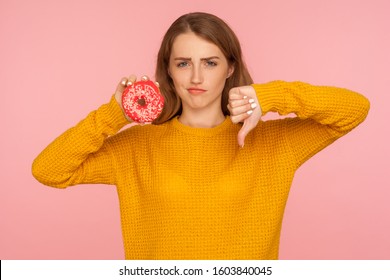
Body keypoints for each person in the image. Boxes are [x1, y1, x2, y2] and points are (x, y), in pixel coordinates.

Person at [32, 12, 370, 260]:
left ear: (231, 68)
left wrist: (268, 97)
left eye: (210, 62)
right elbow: (48, 170)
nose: (196, 76)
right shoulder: (137, 146)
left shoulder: (271, 143)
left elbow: (354, 109)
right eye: (183, 63)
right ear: (168, 69)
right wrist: (112, 115)